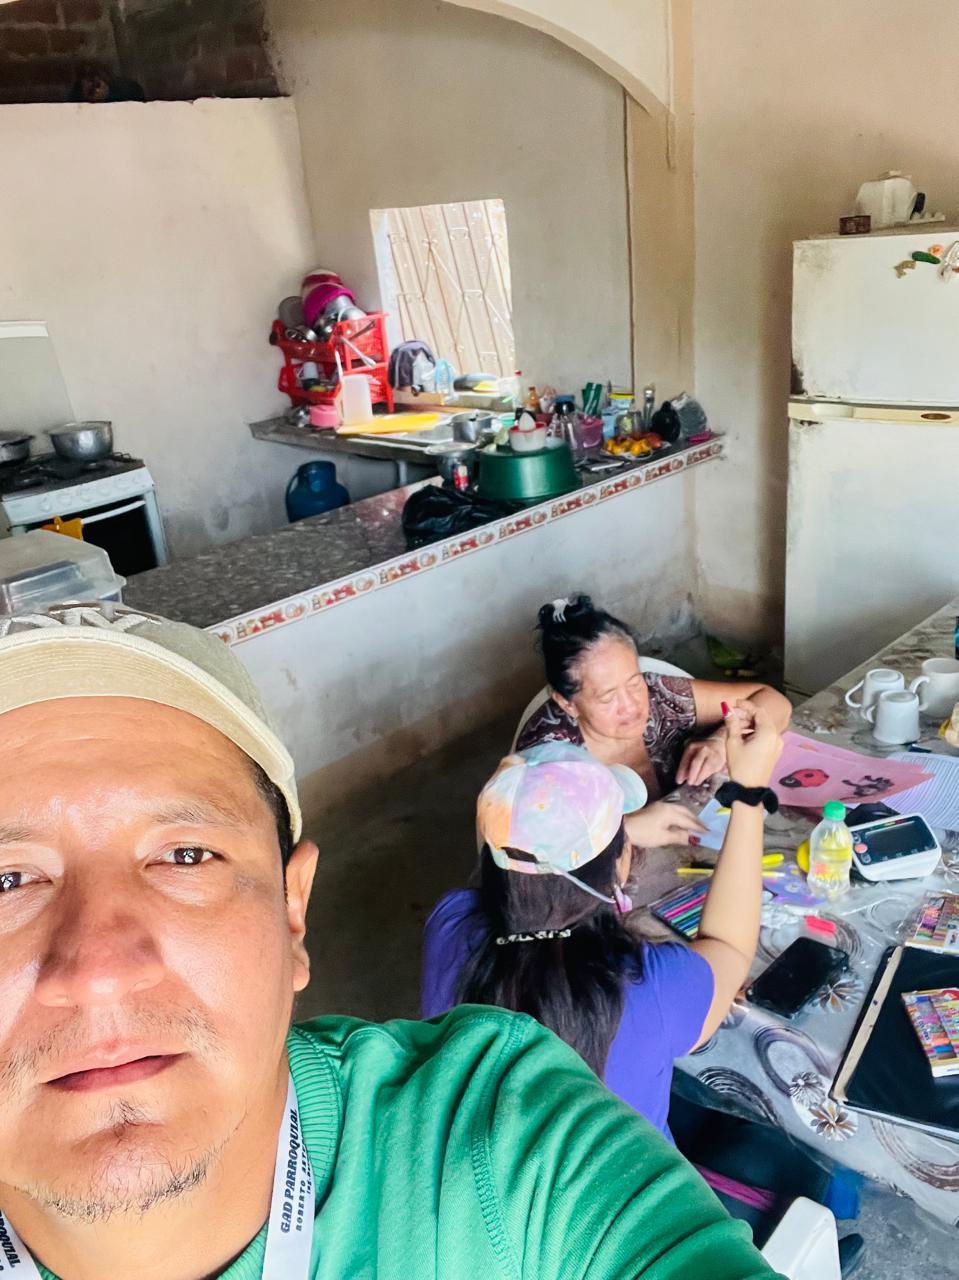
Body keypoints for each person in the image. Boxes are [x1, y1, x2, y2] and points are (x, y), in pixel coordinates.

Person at [0, 602, 780, 1280]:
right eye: (7, 879)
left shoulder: (470, 987)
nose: (99, 969)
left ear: (294, 908)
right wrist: (746, 793)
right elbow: (726, 948)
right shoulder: (629, 1005)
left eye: (185, 855)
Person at [422, 704, 783, 1138]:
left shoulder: (450, 923)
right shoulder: (651, 983)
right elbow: (728, 946)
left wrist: (611, 843)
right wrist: (749, 794)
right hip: (632, 1185)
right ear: (620, 862)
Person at [516, 594, 792, 801]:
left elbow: (772, 701)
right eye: (608, 697)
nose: (631, 705)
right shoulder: (547, 757)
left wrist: (719, 742)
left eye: (634, 682)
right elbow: (542, 851)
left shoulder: (659, 695)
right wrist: (636, 828)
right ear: (567, 703)